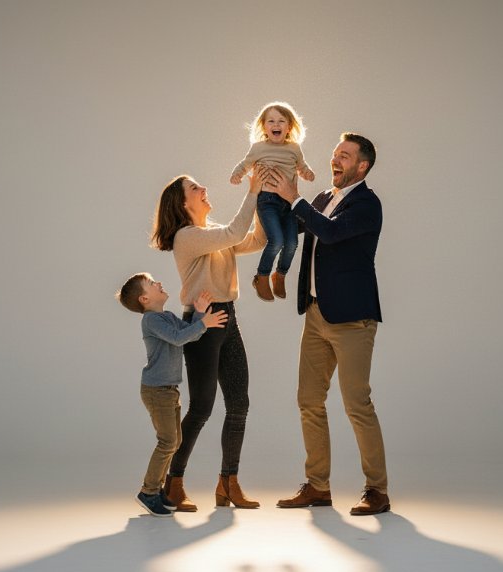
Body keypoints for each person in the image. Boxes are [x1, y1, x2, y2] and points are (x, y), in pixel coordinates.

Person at [266, 132, 391, 515]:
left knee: (357, 404)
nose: (335, 161)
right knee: (308, 400)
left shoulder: (368, 204)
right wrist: (267, 197)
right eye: (335, 154)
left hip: (353, 319)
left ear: (362, 166)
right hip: (317, 314)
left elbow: (331, 232)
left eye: (344, 156)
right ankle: (318, 487)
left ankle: (377, 491)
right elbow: (294, 226)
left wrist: (297, 201)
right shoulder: (323, 198)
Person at [150, 168, 269, 510]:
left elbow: (255, 239)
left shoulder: (215, 233)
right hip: (203, 320)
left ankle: (228, 483)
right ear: (182, 202)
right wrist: (253, 190)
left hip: (227, 317)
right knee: (201, 407)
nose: (203, 188)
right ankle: (173, 483)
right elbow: (236, 231)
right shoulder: (187, 237)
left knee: (239, 404)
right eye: (194, 187)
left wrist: (268, 201)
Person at [116, 273, 228, 517]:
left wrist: (199, 315)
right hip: (157, 391)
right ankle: (148, 492)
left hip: (169, 390)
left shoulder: (166, 316)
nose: (159, 283)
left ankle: (156, 492)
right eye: (152, 284)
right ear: (145, 298)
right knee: (167, 442)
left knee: (174, 442)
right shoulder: (151, 321)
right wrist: (204, 322)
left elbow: (191, 333)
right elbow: (178, 339)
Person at [230, 101, 315, 302]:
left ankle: (281, 274)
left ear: (289, 127)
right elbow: (245, 164)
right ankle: (262, 276)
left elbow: (301, 166)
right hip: (267, 201)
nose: (276, 124)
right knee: (276, 240)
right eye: (271, 121)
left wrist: (307, 173)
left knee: (292, 243)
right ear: (264, 127)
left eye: (281, 121)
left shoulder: (294, 148)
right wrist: (237, 175)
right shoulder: (258, 148)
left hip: (289, 202)